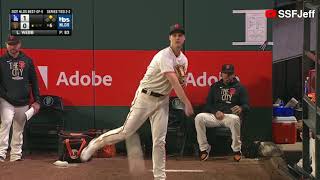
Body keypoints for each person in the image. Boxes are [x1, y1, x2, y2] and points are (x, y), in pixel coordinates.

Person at [80, 24, 194, 180]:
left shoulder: (184, 59)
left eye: (180, 35)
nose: (177, 38)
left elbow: (180, 82)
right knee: (125, 132)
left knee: (160, 141)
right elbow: (174, 83)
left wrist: (183, 80)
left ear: (184, 38)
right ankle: (94, 144)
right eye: (174, 35)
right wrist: (186, 102)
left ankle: (160, 177)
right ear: (169, 38)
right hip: (145, 97)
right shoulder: (164, 56)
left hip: (162, 100)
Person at [194, 64, 249, 162]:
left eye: (230, 74)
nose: (227, 76)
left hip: (229, 117)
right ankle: (204, 149)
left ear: (234, 75)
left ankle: (236, 150)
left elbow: (246, 105)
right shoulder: (215, 86)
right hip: (215, 116)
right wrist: (215, 112)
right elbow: (208, 105)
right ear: (221, 74)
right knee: (199, 117)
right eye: (225, 73)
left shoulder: (240, 87)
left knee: (236, 119)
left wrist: (241, 108)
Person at [0, 35, 41, 162]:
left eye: (15, 44)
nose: (12, 47)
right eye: (10, 44)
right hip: (6, 99)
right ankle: (1, 153)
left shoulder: (27, 60)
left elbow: (34, 81)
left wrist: (37, 100)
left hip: (23, 100)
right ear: (7, 45)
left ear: (19, 44)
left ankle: (16, 155)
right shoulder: (1, 61)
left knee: (18, 128)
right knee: (6, 123)